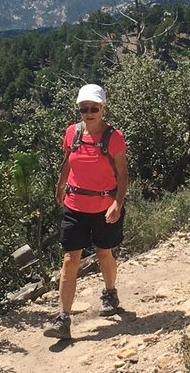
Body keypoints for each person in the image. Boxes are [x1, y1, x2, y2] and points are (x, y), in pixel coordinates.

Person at [43, 83, 128, 341]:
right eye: (84, 109)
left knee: (104, 253)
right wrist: (60, 185)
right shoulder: (73, 133)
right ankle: (63, 318)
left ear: (104, 108)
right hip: (75, 205)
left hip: (104, 206)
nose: (89, 113)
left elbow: (123, 175)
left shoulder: (114, 137)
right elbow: (68, 160)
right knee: (70, 259)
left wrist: (118, 203)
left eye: (94, 108)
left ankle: (110, 292)